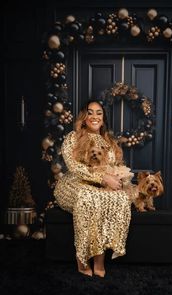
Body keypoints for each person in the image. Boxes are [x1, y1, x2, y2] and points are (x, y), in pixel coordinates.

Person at [54, 99, 132, 277]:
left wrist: (117, 177)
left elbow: (114, 166)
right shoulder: (72, 137)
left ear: (103, 119)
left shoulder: (109, 142)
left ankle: (99, 260)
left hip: (99, 186)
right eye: (90, 112)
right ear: (84, 117)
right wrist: (103, 177)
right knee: (88, 198)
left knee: (119, 198)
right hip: (74, 183)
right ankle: (81, 258)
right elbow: (74, 167)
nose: (94, 116)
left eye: (99, 113)